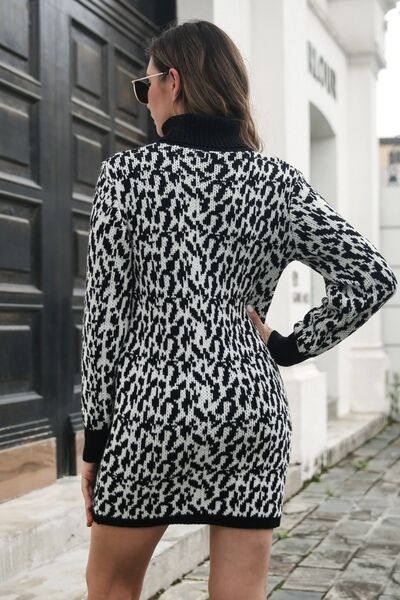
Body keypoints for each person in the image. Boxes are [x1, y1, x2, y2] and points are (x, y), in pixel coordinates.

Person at [80, 19, 397, 600]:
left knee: (111, 586)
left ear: (173, 82)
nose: (145, 99)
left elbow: (105, 321)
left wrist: (96, 438)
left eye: (144, 85)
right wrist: (286, 347)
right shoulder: (278, 183)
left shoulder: (127, 176)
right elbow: (371, 276)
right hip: (250, 409)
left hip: (151, 411)